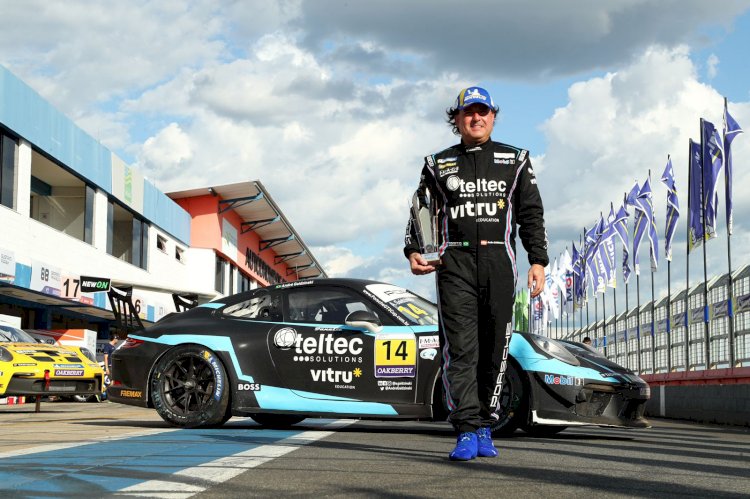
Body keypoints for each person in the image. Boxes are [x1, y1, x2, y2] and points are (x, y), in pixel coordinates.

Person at [404, 87, 548, 461]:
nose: (476, 118)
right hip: (455, 264)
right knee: (460, 351)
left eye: (483, 111)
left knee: (494, 349)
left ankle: (486, 423)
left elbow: (531, 212)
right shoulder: (437, 164)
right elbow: (420, 210)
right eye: (468, 112)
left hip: (501, 263)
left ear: (493, 116)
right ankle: (466, 429)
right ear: (456, 118)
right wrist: (414, 251)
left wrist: (538, 260)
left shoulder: (515, 159)